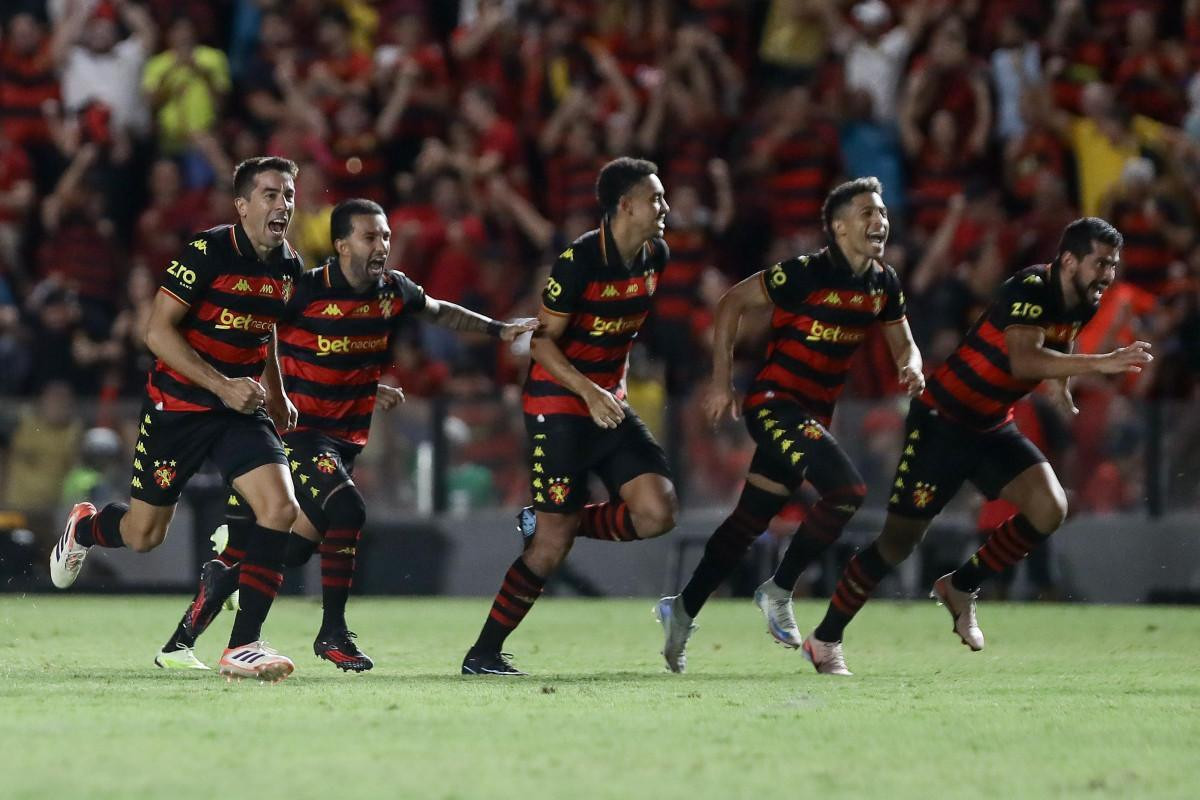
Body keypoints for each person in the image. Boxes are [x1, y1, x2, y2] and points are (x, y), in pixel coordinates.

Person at [153, 198, 537, 672]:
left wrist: (499, 331)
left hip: (345, 440)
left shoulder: (392, 291)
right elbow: (258, 334)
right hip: (298, 433)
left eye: (386, 237)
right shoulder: (304, 289)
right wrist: (252, 390)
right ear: (340, 244)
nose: (382, 246)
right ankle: (332, 633)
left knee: (288, 550)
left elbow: (440, 312)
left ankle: (191, 623)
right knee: (348, 507)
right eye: (370, 237)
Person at [802, 217, 1152, 675]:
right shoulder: (1029, 286)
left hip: (990, 427)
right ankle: (824, 639)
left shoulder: (1083, 300)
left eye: (1114, 264)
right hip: (941, 423)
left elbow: (1059, 343)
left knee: (1051, 507)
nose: (1108, 273)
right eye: (1101, 262)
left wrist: (1062, 383)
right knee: (897, 543)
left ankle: (961, 586)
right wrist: (1101, 363)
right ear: (1069, 260)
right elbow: (1024, 358)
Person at [50, 157, 306, 682]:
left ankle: (244, 646)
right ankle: (85, 527)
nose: (283, 204)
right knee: (144, 535)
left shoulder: (287, 266)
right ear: (242, 206)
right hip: (180, 407)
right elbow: (157, 333)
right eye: (271, 194)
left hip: (240, 410)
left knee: (280, 508)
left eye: (288, 195)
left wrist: (276, 395)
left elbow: (266, 331)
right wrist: (221, 385)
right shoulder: (207, 251)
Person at [655, 177, 923, 673]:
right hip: (774, 403)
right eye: (867, 213)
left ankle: (682, 609)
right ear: (839, 227)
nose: (879, 221)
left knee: (749, 521)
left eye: (882, 213)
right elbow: (731, 302)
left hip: (813, 417)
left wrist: (914, 364)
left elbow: (904, 342)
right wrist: (720, 383)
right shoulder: (807, 272)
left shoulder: (883, 284)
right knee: (846, 491)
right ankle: (778, 590)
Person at [461, 157, 677, 676]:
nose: (664, 208)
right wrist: (588, 391)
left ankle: (558, 518)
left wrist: (612, 390)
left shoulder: (655, 255)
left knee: (658, 511)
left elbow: (621, 335)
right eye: (656, 199)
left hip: (608, 401)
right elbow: (541, 345)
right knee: (550, 547)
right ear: (626, 206)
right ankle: (483, 653)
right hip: (559, 402)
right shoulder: (579, 261)